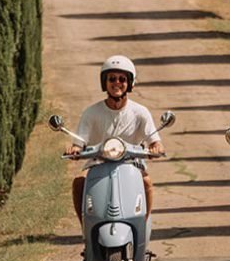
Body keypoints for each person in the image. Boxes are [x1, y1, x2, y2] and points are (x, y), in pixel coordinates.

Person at [70, 55, 164, 229]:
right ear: (104, 83)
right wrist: (75, 149)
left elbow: (154, 140)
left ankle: (142, 225)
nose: (117, 83)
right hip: (97, 163)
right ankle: (86, 227)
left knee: (147, 183)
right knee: (78, 182)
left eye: (122, 79)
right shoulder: (91, 112)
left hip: (132, 164)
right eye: (111, 79)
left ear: (130, 83)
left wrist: (155, 147)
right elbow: (79, 141)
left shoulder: (140, 112)